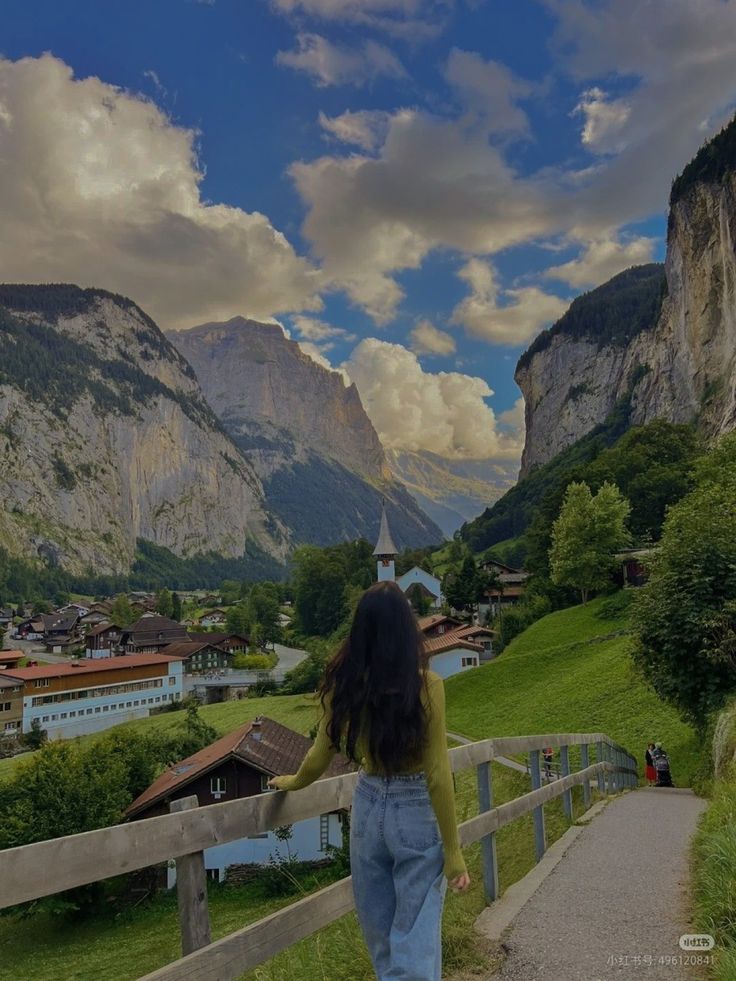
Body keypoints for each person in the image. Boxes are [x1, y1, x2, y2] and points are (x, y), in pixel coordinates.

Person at [268, 580, 470, 980]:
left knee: (380, 935)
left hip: (367, 805)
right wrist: (453, 850)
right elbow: (437, 774)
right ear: (406, 630)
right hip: (414, 812)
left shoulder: (346, 684)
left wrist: (294, 782)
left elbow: (320, 752)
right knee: (414, 936)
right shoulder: (427, 686)